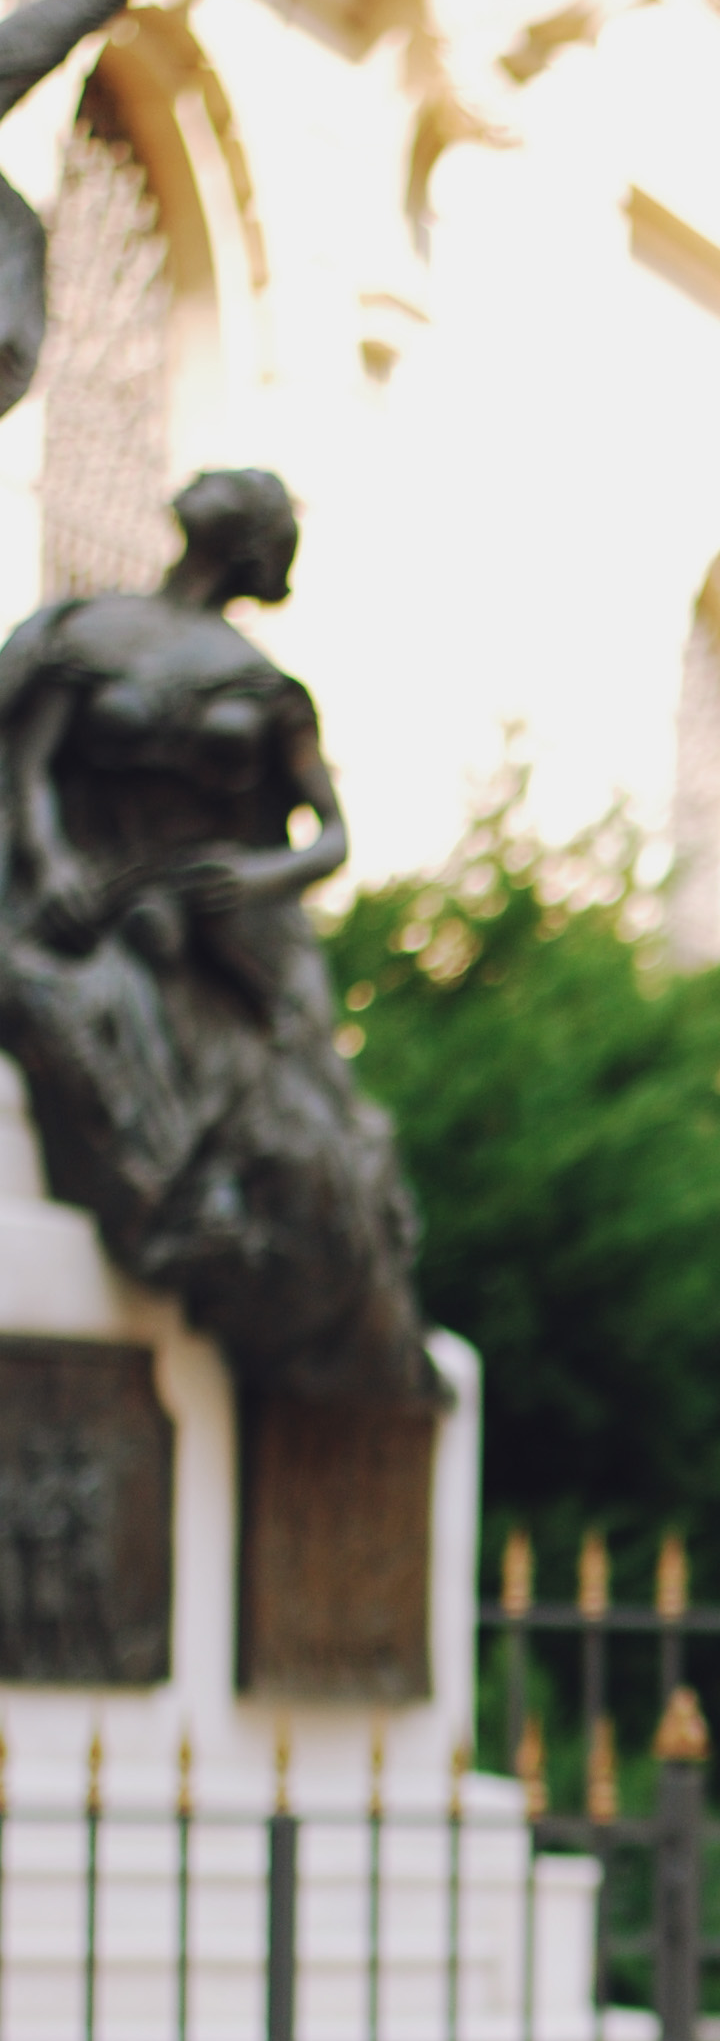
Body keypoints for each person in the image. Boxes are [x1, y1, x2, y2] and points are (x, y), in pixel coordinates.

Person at [0, 466, 433, 1406]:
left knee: (305, 1126)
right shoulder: (91, 635)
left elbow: (330, 836)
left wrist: (253, 876)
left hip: (213, 922)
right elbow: (24, 771)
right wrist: (49, 865)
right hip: (91, 902)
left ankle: (267, 1238)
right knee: (74, 1009)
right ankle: (179, 1205)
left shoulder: (264, 686)